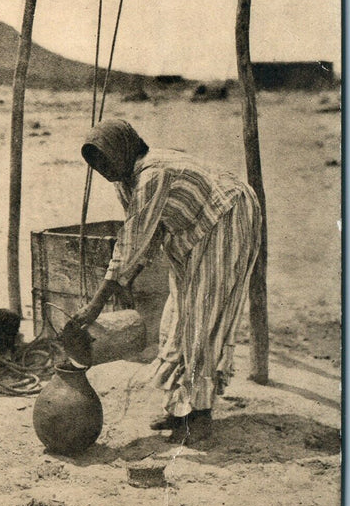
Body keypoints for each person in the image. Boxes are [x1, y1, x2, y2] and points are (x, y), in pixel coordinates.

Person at [73, 119, 262, 442]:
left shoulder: (152, 174)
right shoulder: (126, 181)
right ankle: (180, 409)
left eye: (104, 158)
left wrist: (94, 307)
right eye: (94, 163)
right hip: (192, 232)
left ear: (123, 148)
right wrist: (126, 280)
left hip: (227, 215)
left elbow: (129, 242)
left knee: (203, 316)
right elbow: (144, 236)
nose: (101, 169)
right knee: (178, 316)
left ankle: (200, 415)